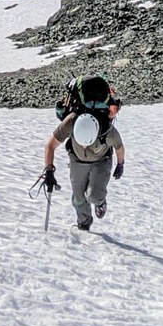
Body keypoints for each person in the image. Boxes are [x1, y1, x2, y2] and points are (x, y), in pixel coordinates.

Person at [41, 75, 125, 231]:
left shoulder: (107, 130)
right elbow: (50, 146)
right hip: (77, 159)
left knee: (93, 196)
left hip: (101, 161)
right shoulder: (71, 121)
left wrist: (120, 164)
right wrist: (49, 171)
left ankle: (100, 202)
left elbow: (119, 147)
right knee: (78, 198)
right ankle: (84, 223)